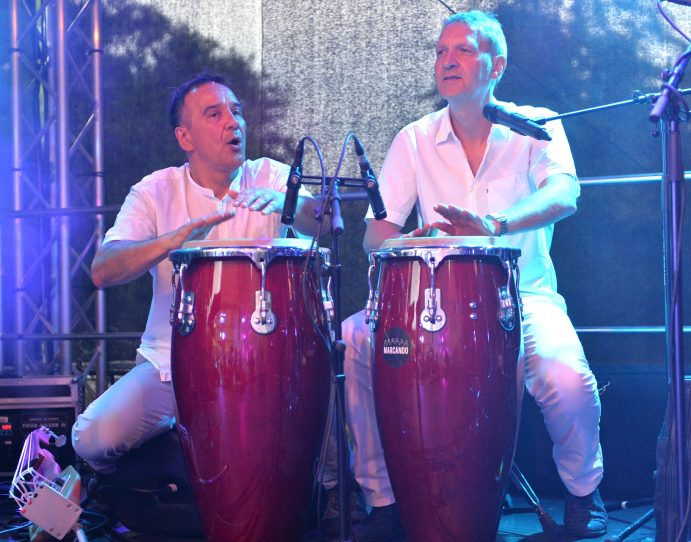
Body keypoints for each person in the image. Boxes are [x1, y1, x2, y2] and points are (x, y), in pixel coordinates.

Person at [340, 11, 607, 541]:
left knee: (566, 379)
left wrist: (496, 224)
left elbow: (565, 193)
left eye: (462, 50)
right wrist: (404, 242)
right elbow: (375, 235)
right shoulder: (414, 138)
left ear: (497, 64)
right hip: (427, 302)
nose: (448, 61)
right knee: (354, 338)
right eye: (441, 52)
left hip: (520, 296)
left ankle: (583, 493)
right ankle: (384, 499)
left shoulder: (536, 124)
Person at [72, 73, 320, 474]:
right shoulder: (155, 191)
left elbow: (328, 220)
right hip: (169, 364)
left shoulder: (271, 177)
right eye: (214, 113)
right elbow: (103, 270)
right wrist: (171, 241)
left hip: (263, 362)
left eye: (236, 112)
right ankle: (167, 456)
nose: (232, 122)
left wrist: (287, 204)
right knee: (92, 438)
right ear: (185, 138)